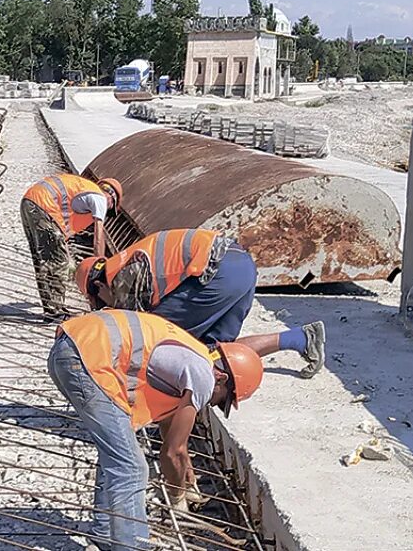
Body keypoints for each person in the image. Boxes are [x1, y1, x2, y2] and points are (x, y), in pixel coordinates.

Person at [50, 309, 263, 550]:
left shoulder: (193, 355)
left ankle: (104, 534)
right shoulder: (204, 376)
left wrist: (185, 470)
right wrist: (177, 497)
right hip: (87, 359)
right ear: (222, 379)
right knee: (131, 468)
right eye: (223, 399)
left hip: (71, 349)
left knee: (117, 454)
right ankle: (132, 546)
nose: (214, 404)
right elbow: (172, 451)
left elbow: (171, 433)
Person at [74, 228, 325, 378]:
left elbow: (134, 335)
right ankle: (300, 338)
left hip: (219, 274)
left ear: (98, 287)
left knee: (160, 342)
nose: (105, 307)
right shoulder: (128, 259)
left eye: (99, 303)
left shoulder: (121, 277)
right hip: (242, 267)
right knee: (214, 351)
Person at [21, 174, 123, 318]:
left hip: (30, 202)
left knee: (43, 260)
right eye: (111, 208)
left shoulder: (84, 191)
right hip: (44, 206)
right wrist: (99, 268)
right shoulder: (100, 198)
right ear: (111, 197)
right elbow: (98, 237)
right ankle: (55, 311)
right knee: (59, 262)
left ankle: (50, 307)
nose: (107, 212)